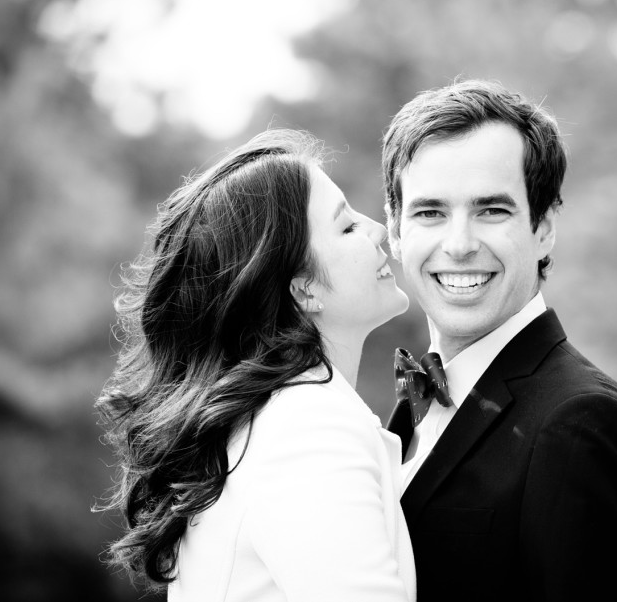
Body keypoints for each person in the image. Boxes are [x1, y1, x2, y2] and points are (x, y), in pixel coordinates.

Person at [95, 129, 416, 601]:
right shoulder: (307, 429)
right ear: (302, 288)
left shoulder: (273, 422)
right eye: (347, 227)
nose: (378, 231)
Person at [382, 80, 617, 601]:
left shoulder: (581, 424)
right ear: (396, 231)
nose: (460, 244)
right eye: (430, 212)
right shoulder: (406, 411)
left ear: (544, 228)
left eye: (492, 211)